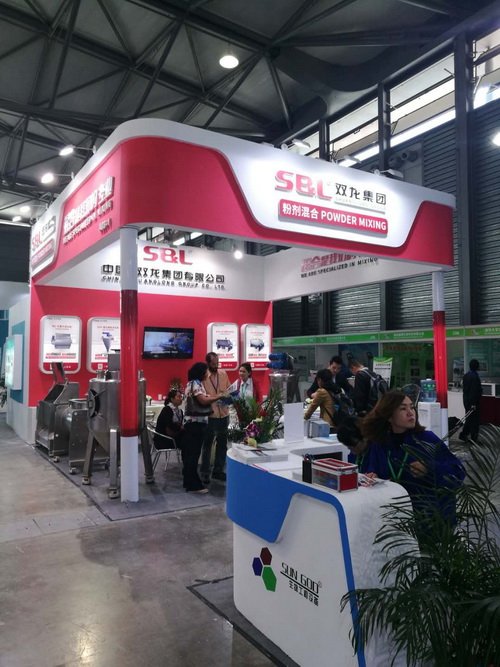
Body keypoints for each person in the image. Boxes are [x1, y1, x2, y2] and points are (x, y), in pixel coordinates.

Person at [361, 391, 465, 524]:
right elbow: (372, 468)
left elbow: (458, 471)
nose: (411, 413)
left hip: (429, 519)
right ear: (389, 416)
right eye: (403, 409)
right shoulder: (380, 443)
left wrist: (429, 468)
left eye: (412, 407)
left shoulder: (426, 439)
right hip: (393, 516)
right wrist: (372, 475)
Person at [183, 362, 225, 493]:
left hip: (194, 424)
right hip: (195, 424)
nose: (208, 373)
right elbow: (202, 400)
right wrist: (219, 396)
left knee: (192, 454)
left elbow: (204, 397)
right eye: (206, 371)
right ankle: (193, 485)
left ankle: (189, 482)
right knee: (193, 455)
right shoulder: (195, 384)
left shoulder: (194, 383)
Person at [201, 352, 231, 484]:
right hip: (210, 416)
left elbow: (229, 390)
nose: (216, 366)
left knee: (222, 445)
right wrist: (216, 397)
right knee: (207, 445)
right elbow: (201, 397)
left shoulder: (223, 374)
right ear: (208, 363)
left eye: (217, 363)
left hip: (224, 414)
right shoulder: (203, 377)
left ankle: (218, 471)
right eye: (213, 364)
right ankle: (205, 472)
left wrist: (229, 396)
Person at [460, 358, 482, 442]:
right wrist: (473, 403)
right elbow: (474, 391)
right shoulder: (475, 377)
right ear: (477, 367)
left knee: (469, 418)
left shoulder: (466, 375)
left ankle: (464, 434)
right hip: (473, 402)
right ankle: (473, 438)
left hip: (466, 400)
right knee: (474, 420)